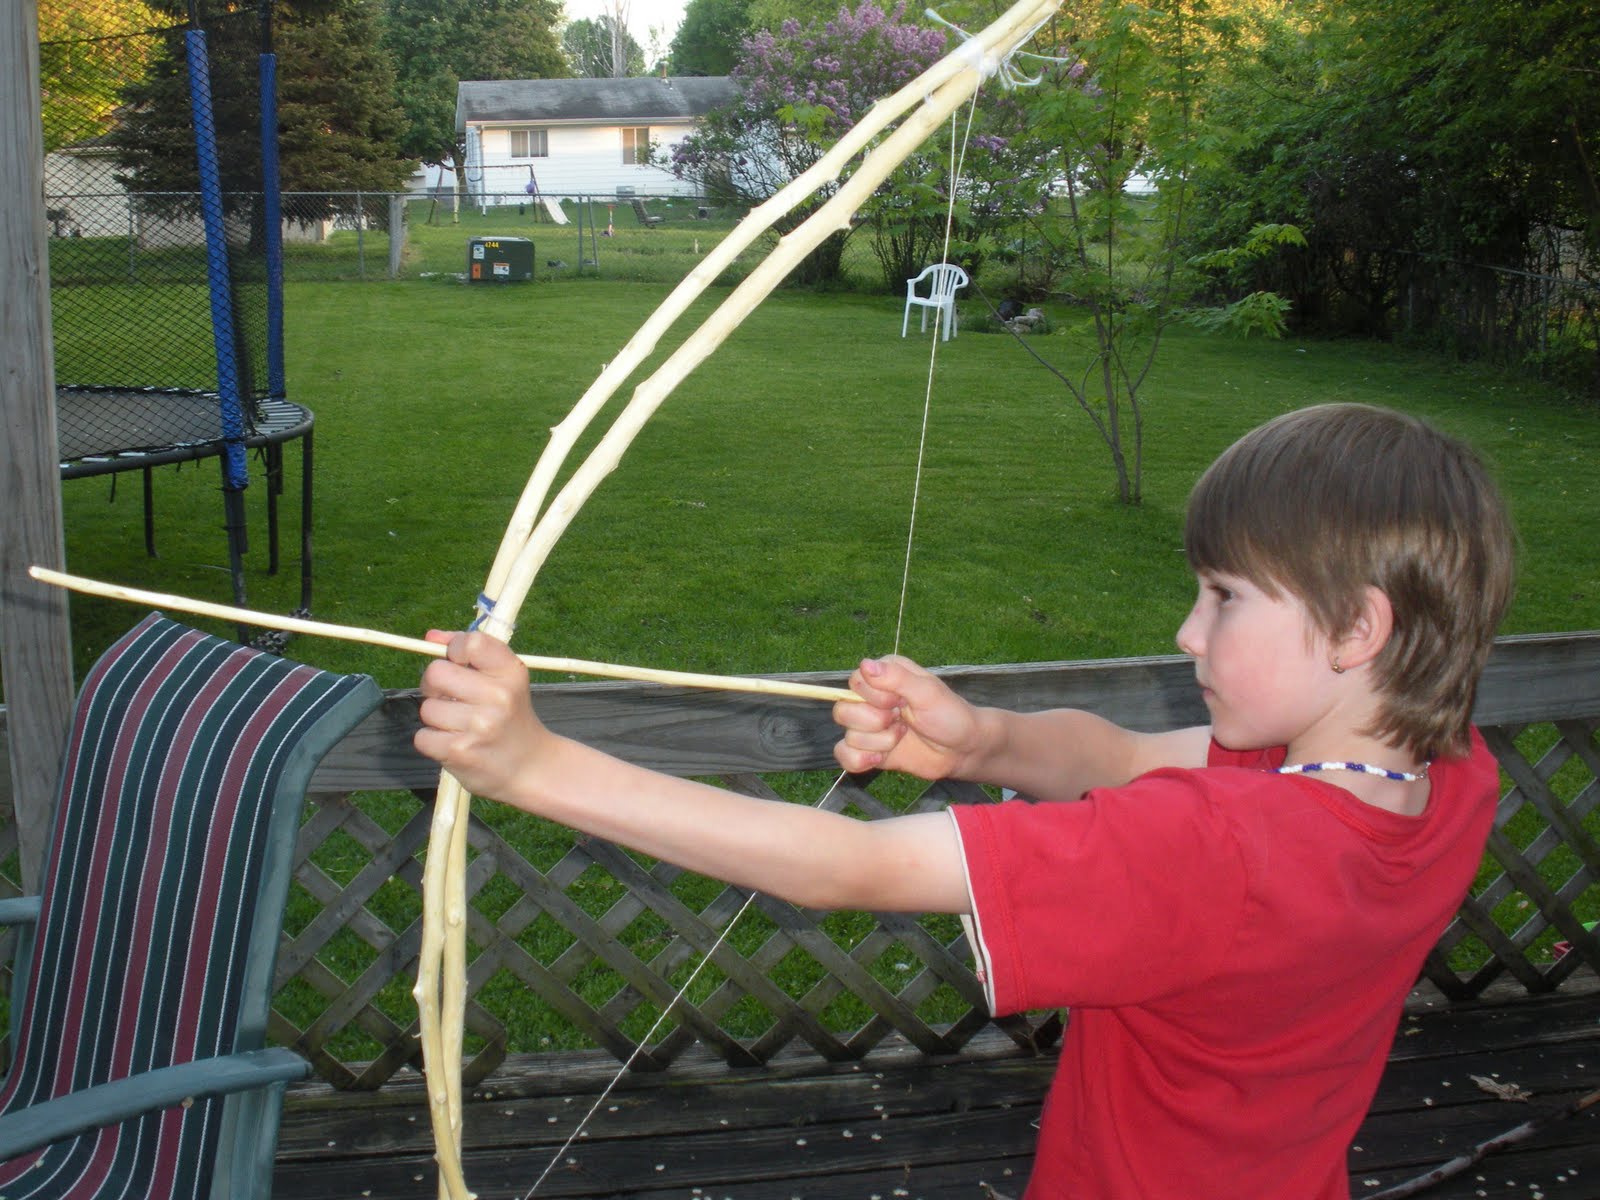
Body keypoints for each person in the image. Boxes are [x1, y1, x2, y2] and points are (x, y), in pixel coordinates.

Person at [414, 403, 1515, 1199]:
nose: (1187, 631)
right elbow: (1126, 757)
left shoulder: (1216, 849)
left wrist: (536, 768)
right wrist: (978, 740)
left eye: (1224, 598)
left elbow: (851, 865)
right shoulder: (1446, 774)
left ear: (1356, 628)